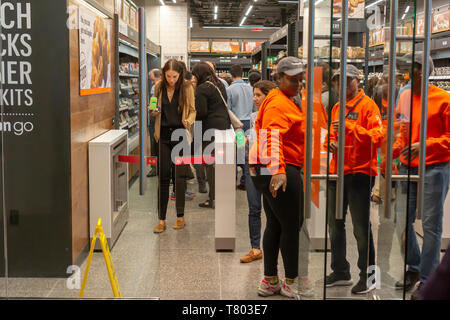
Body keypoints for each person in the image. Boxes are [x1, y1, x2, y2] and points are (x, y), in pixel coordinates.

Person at [391, 52, 450, 300]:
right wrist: (389, 157)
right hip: (406, 167)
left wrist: (425, 145)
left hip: (435, 167)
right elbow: (400, 131)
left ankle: (427, 280)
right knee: (400, 221)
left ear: (428, 72)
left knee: (430, 226)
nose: (413, 72)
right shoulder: (404, 96)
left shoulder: (444, 99)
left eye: (418, 67)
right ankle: (414, 267)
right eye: (410, 67)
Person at [249, 57, 306, 299]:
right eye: (292, 79)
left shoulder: (280, 99)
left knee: (275, 223)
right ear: (279, 78)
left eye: (300, 78)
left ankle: (270, 280)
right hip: (279, 168)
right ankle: (291, 281)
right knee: (292, 225)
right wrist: (279, 170)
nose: (298, 83)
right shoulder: (278, 103)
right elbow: (271, 137)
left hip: (264, 166)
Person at [324, 64, 384, 294]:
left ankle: (368, 277)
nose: (342, 84)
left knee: (360, 228)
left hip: (360, 173)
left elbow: (377, 138)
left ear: (357, 81)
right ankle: (340, 270)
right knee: (335, 224)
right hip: (337, 172)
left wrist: (351, 127)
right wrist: (329, 142)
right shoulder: (337, 106)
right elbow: (332, 134)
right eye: (338, 80)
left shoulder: (368, 106)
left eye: (347, 80)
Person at [150, 59, 196, 233]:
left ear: (180, 74)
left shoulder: (186, 87)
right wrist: (153, 111)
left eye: (174, 76)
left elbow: (193, 110)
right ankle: (161, 219)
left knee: (179, 178)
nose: (171, 80)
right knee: (163, 176)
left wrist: (188, 121)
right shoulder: (159, 86)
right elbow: (154, 106)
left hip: (181, 135)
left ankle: (180, 216)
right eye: (168, 76)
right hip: (162, 135)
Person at [240, 80, 276, 264]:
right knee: (254, 208)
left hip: (270, 166)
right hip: (252, 165)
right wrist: (244, 140)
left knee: (272, 211)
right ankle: (255, 248)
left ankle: (273, 248)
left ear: (268, 96)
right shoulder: (253, 116)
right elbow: (248, 135)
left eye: (258, 95)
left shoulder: (276, 115)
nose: (254, 98)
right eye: (254, 94)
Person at [192, 62, 231, 209]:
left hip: (210, 131)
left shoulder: (202, 88)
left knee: (211, 166)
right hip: (224, 127)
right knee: (220, 165)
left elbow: (201, 112)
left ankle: (213, 199)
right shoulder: (219, 84)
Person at [227, 64, 255, 191]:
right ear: (243, 75)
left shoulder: (229, 90)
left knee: (237, 153)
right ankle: (246, 179)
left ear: (231, 76)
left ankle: (234, 180)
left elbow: (228, 110)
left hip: (237, 125)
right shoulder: (251, 89)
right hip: (249, 124)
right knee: (247, 152)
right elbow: (255, 109)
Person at [147, 68, 162, 177]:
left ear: (159, 77)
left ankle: (154, 168)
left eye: (153, 79)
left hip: (155, 118)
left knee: (154, 143)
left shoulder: (155, 87)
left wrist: (151, 109)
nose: (152, 82)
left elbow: (153, 105)